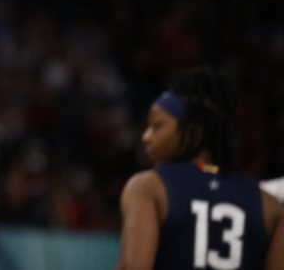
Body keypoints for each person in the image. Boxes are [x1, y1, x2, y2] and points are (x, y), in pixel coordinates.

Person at [115, 67, 284, 270]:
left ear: (194, 131)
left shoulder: (148, 187)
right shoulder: (272, 207)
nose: (146, 136)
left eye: (157, 125)